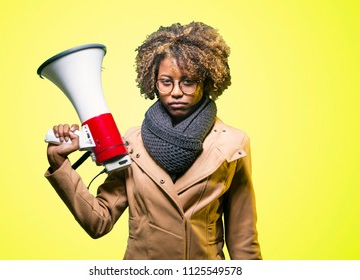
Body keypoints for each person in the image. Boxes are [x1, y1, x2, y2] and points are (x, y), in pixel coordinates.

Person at [45, 22, 262, 260]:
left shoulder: (234, 143)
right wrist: (59, 163)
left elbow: (243, 240)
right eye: (166, 82)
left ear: (207, 81)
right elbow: (99, 221)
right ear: (153, 81)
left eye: (188, 81)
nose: (176, 91)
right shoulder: (131, 142)